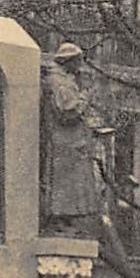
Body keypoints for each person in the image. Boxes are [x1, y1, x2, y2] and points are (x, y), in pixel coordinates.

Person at [41, 42, 103, 235]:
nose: (80, 66)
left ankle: (66, 217)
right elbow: (68, 111)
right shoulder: (59, 81)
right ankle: (59, 216)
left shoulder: (65, 80)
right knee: (64, 181)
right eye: (78, 61)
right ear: (68, 61)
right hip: (65, 143)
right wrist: (85, 97)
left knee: (71, 182)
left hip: (71, 142)